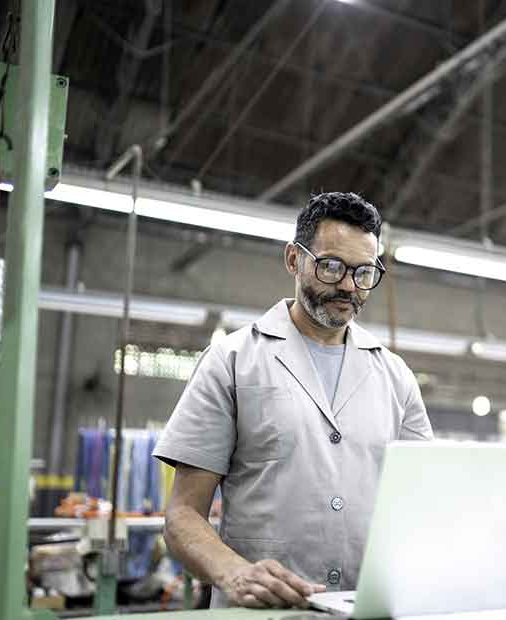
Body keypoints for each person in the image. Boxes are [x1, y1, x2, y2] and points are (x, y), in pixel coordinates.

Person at [153, 192, 434, 609]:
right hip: (261, 613)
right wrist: (234, 572)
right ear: (293, 260)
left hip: (365, 607)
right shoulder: (233, 361)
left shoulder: (394, 376)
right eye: (331, 266)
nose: (347, 286)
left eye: (363, 273)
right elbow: (181, 517)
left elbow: (423, 503)